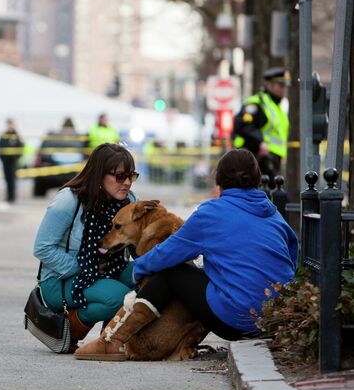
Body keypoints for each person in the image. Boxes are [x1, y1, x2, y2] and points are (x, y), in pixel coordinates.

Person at [74, 149, 298, 360]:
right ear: (258, 179)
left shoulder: (211, 214)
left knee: (171, 270)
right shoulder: (275, 216)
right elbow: (292, 259)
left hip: (237, 320)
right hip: (273, 320)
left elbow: (168, 253)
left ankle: (113, 340)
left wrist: (139, 269)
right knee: (207, 275)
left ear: (218, 181)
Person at [33, 143, 140, 352]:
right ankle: (72, 326)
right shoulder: (69, 200)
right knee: (121, 297)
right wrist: (82, 266)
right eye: (119, 177)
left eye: (131, 176)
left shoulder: (130, 202)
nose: (127, 183)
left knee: (147, 282)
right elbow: (42, 248)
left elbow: (138, 246)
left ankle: (110, 336)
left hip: (108, 269)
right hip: (60, 278)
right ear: (99, 174)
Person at [232, 67, 291, 187]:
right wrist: (260, 143)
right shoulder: (256, 104)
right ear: (269, 85)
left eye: (285, 85)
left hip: (273, 159)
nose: (284, 88)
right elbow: (244, 126)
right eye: (280, 84)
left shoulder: (277, 106)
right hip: (258, 158)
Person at [0, 118, 24, 203]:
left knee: (12, 180)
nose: (10, 126)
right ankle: (8, 196)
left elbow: (21, 147)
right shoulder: (4, 135)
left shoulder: (16, 135)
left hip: (13, 160)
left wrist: (17, 158)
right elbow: (0, 147)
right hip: (5, 161)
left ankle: (12, 197)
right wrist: (2, 159)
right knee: (7, 179)